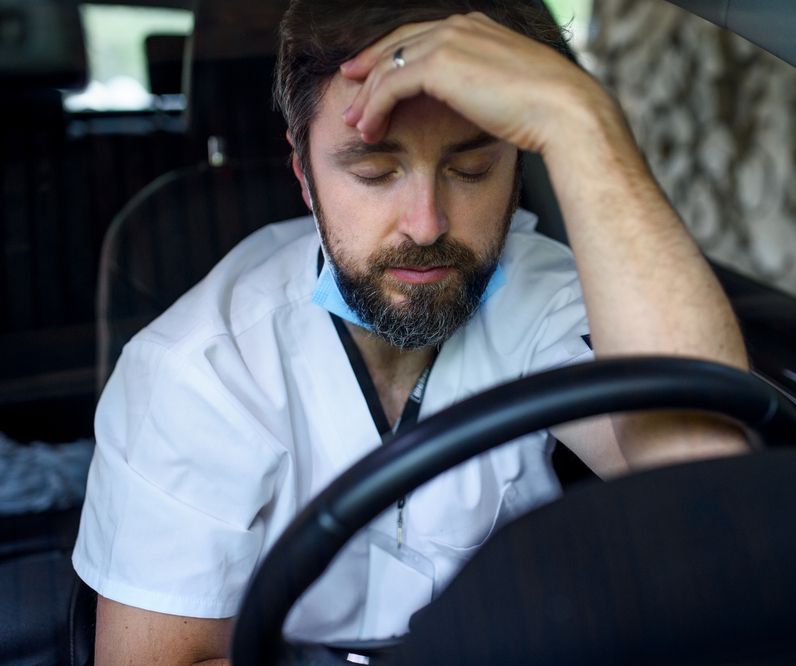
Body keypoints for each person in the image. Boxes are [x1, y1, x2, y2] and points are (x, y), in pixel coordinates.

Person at [73, 0, 749, 662]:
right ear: (303, 172)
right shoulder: (196, 371)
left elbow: (715, 503)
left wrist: (583, 119)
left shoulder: (549, 294)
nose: (427, 224)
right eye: (374, 171)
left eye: (471, 169)